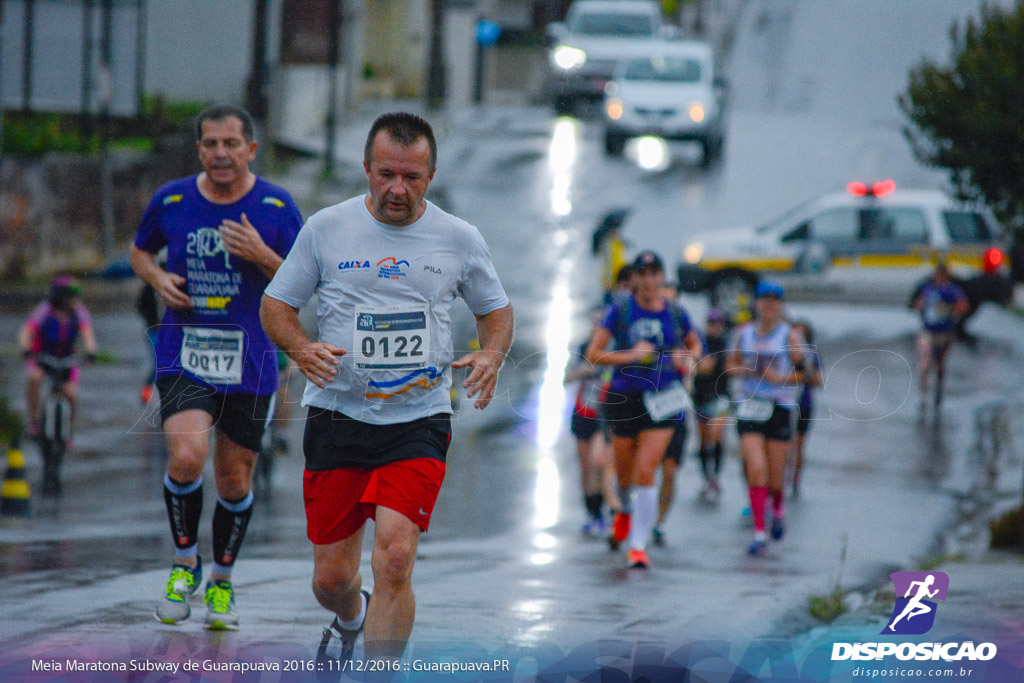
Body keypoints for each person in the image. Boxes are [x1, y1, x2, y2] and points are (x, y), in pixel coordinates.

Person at [260, 112, 514, 665]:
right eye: (386, 175)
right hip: (337, 417)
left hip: (418, 419)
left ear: (432, 175)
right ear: (368, 170)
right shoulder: (326, 229)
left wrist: (492, 354)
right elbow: (276, 306)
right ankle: (351, 617)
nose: (397, 189)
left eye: (412, 177)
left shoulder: (458, 237)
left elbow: (495, 309)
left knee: (395, 558)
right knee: (330, 578)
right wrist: (302, 350)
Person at [130, 104, 303, 629]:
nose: (221, 154)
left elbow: (305, 277)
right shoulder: (174, 199)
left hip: (250, 359)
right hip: (185, 350)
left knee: (233, 479)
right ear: (199, 149)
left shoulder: (275, 205)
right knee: (186, 454)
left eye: (231, 144)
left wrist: (260, 254)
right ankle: (185, 565)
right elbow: (140, 252)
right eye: (211, 144)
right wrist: (157, 280)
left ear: (251, 149)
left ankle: (222, 580)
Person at [585, 251, 701, 569]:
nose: (649, 281)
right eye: (643, 274)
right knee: (624, 473)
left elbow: (694, 343)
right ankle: (624, 510)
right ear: (634, 278)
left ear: (662, 277)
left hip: (664, 398)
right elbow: (594, 353)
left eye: (655, 274)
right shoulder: (620, 311)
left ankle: (638, 545)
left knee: (646, 469)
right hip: (625, 398)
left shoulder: (676, 312)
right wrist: (630, 356)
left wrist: (689, 360)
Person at [726, 280, 804, 556]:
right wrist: (744, 370)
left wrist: (779, 378)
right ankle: (760, 532)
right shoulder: (743, 333)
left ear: (780, 305)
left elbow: (806, 375)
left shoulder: (790, 336)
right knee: (755, 467)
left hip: (779, 406)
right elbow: (730, 365)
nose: (769, 306)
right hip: (749, 404)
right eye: (764, 300)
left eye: (774, 301)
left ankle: (778, 507)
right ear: (756, 303)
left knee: (775, 474)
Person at [18, 275, 98, 480]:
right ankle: (34, 420)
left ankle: (68, 431)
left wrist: (90, 351)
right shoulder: (44, 310)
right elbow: (27, 331)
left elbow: (88, 334)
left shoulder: (78, 313)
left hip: (67, 359)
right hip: (44, 356)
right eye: (72, 297)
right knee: (35, 378)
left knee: (70, 393)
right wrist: (26, 348)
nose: (75, 301)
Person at [565, 333, 612, 535]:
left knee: (598, 462)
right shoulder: (583, 348)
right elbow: (566, 378)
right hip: (583, 411)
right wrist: (587, 370)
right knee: (586, 467)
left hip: (606, 413)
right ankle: (592, 513)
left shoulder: (617, 347)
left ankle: (606, 509)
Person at [911, 263, 968, 406]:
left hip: (944, 331)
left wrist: (947, 308)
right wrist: (920, 306)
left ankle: (938, 389)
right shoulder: (927, 289)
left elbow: (963, 306)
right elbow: (917, 304)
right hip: (928, 330)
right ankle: (923, 391)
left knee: (940, 363)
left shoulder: (952, 290)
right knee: (925, 360)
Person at [691, 308, 731, 500]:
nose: (714, 327)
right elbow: (695, 367)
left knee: (716, 434)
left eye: (717, 323)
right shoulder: (700, 342)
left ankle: (716, 475)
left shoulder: (726, 344)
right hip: (701, 396)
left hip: (720, 395)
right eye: (711, 323)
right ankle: (705, 476)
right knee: (704, 439)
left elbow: (731, 366)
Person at [790, 320, 822, 498]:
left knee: (799, 444)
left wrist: (804, 374)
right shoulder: (784, 352)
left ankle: (795, 477)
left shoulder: (811, 355)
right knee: (786, 444)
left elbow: (818, 380)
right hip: (785, 402)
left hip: (804, 403)